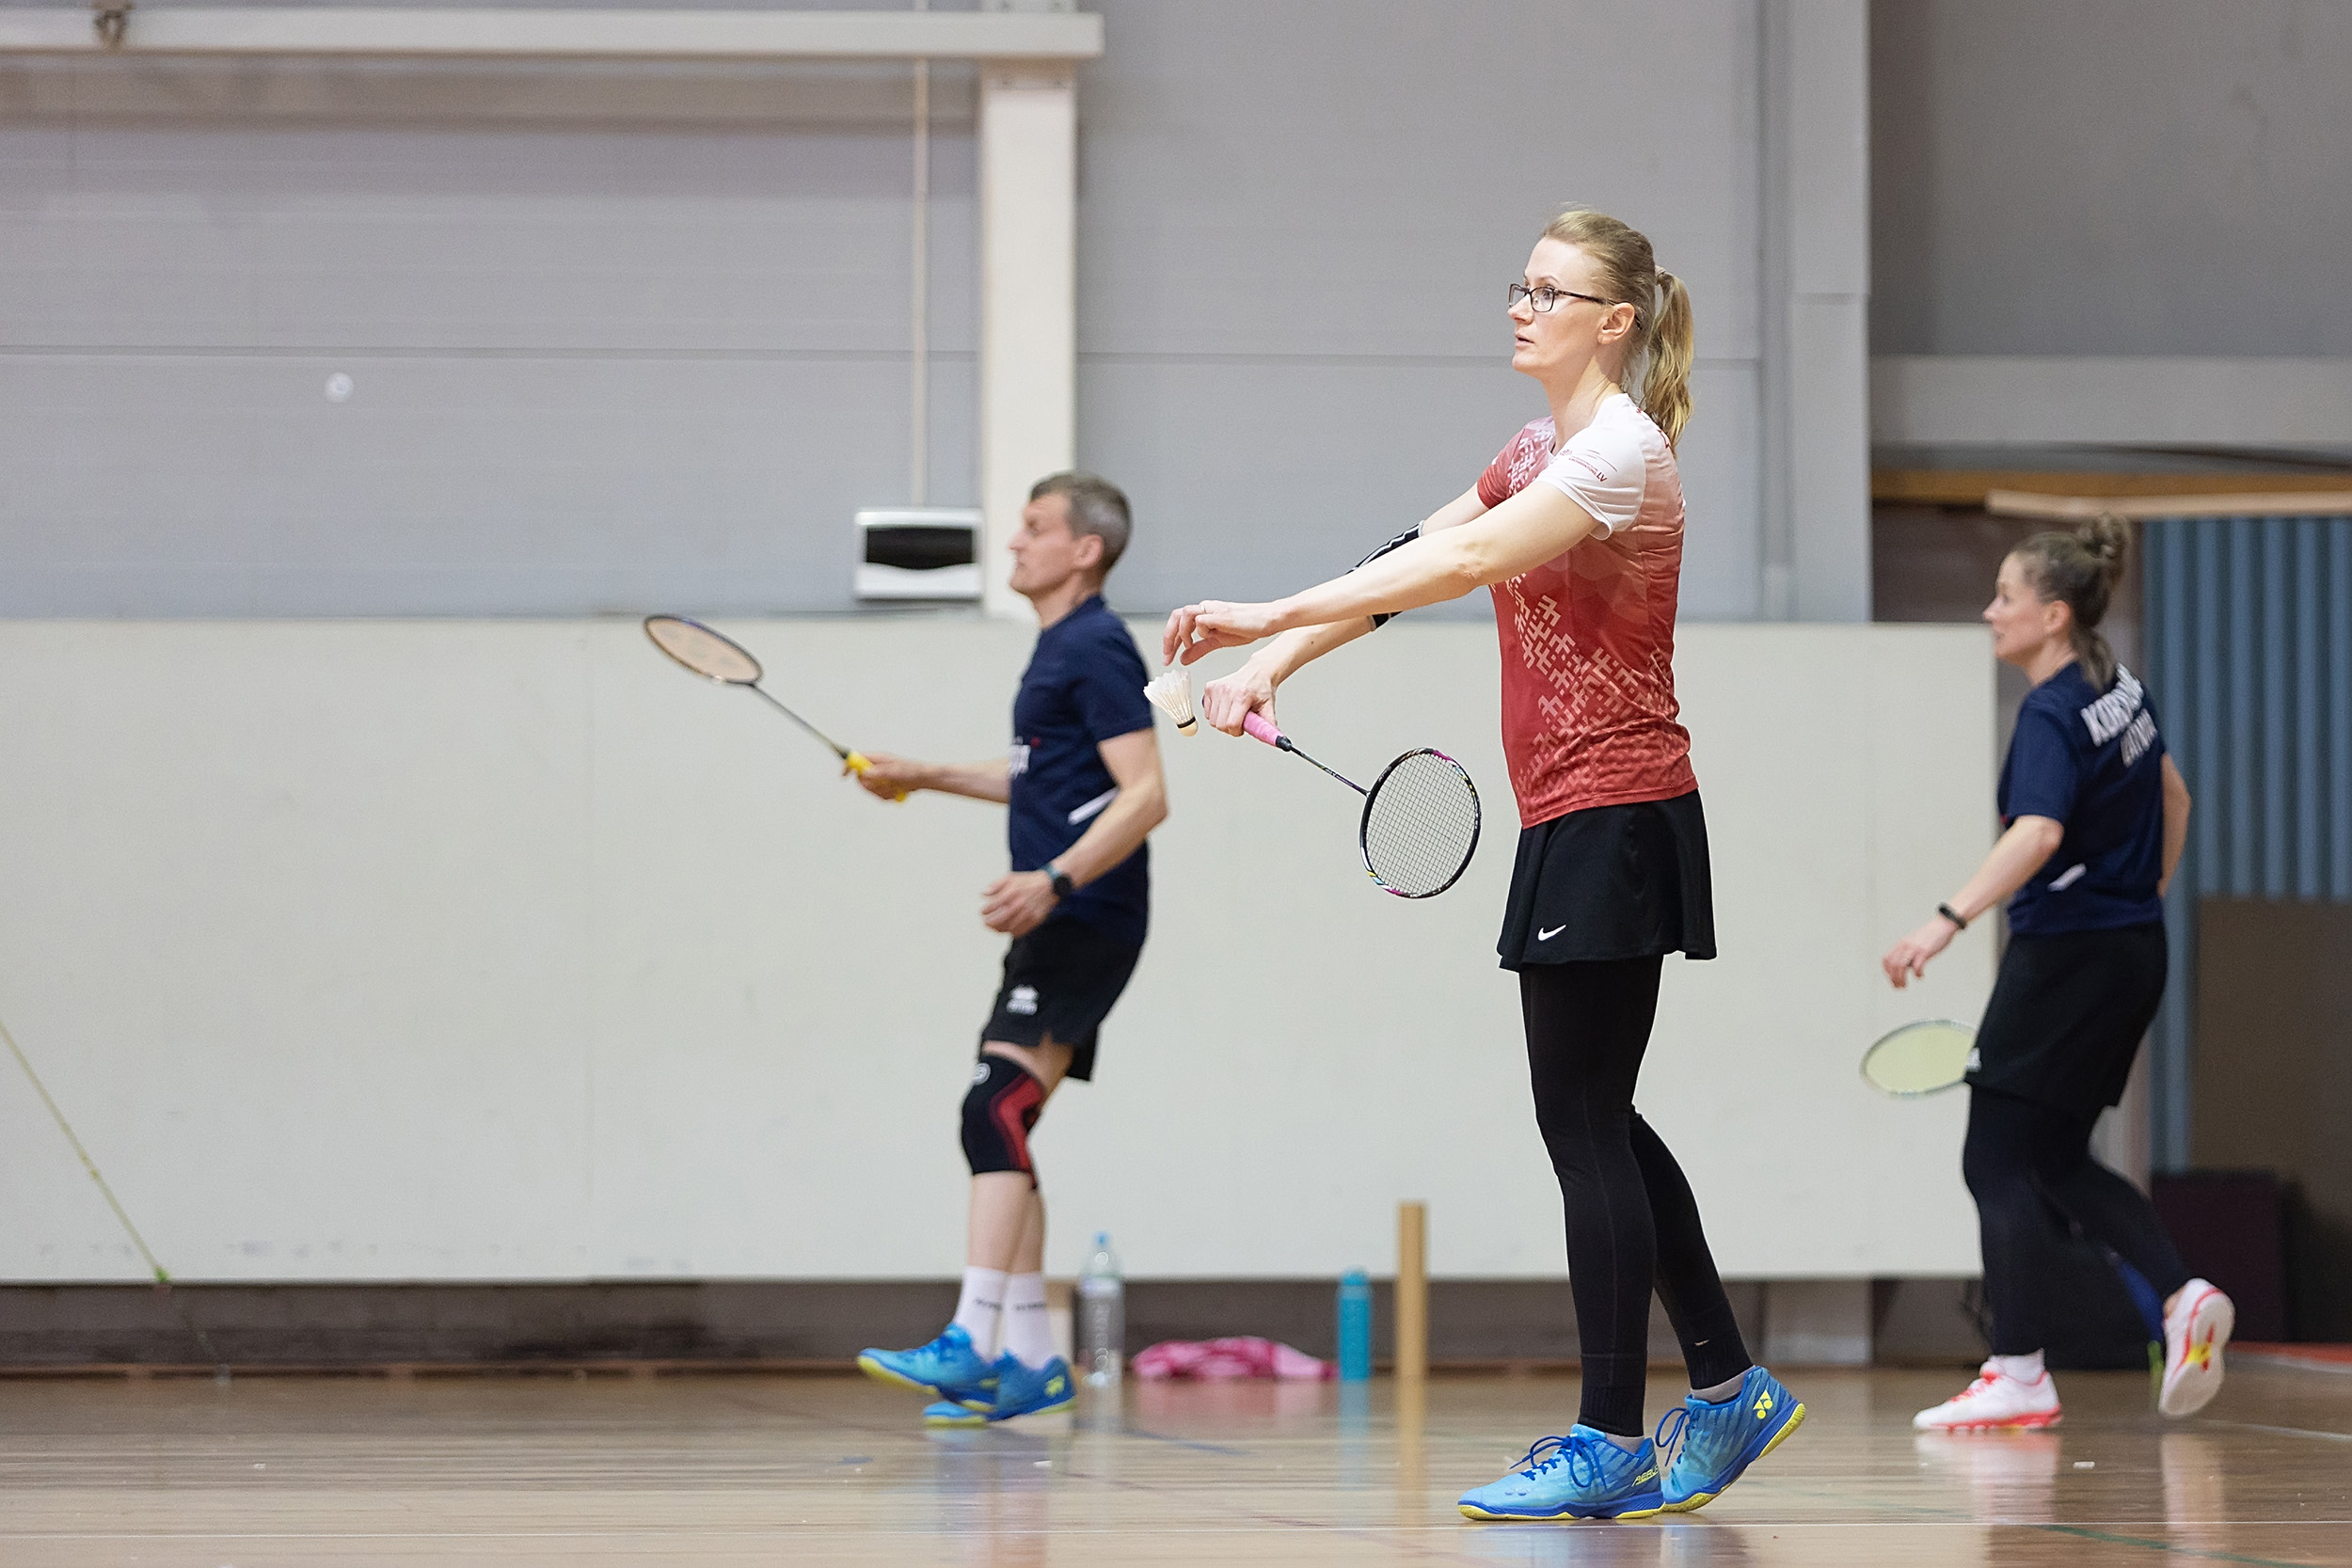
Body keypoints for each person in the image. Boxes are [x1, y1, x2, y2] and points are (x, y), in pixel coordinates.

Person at [1162, 209, 1802, 1523]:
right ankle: (1729, 1385)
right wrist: (1273, 663)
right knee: (1599, 1113)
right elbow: (1401, 563)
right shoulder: (1531, 447)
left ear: (1613, 321)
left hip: (1617, 809)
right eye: (1520, 284)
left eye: (1550, 291)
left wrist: (1260, 610)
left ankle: (1610, 1437)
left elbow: (1464, 562)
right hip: (1570, 814)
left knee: (1581, 1120)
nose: (1521, 305)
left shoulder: (1619, 452)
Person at [1884, 519, 2233, 1432]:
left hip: (2066, 957)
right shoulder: (2121, 688)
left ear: (2053, 614)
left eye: (2005, 596)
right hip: (2133, 949)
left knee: (1992, 1156)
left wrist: (1945, 920)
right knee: (2053, 1155)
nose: (1989, 611)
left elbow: (2037, 832)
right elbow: (2175, 797)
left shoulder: (2047, 712)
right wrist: (2143, 894)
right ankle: (2182, 1292)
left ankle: (2018, 1371)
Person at [850, 472, 1168, 1426]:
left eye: (1035, 528)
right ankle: (1030, 1358)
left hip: (1084, 914)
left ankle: (972, 1335)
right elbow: (1042, 777)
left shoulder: (1096, 644)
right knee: (1002, 1120)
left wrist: (1054, 880)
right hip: (1059, 917)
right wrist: (924, 774)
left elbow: (1147, 793)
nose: (1014, 543)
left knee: (992, 1108)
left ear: (1085, 550)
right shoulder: (1058, 647)